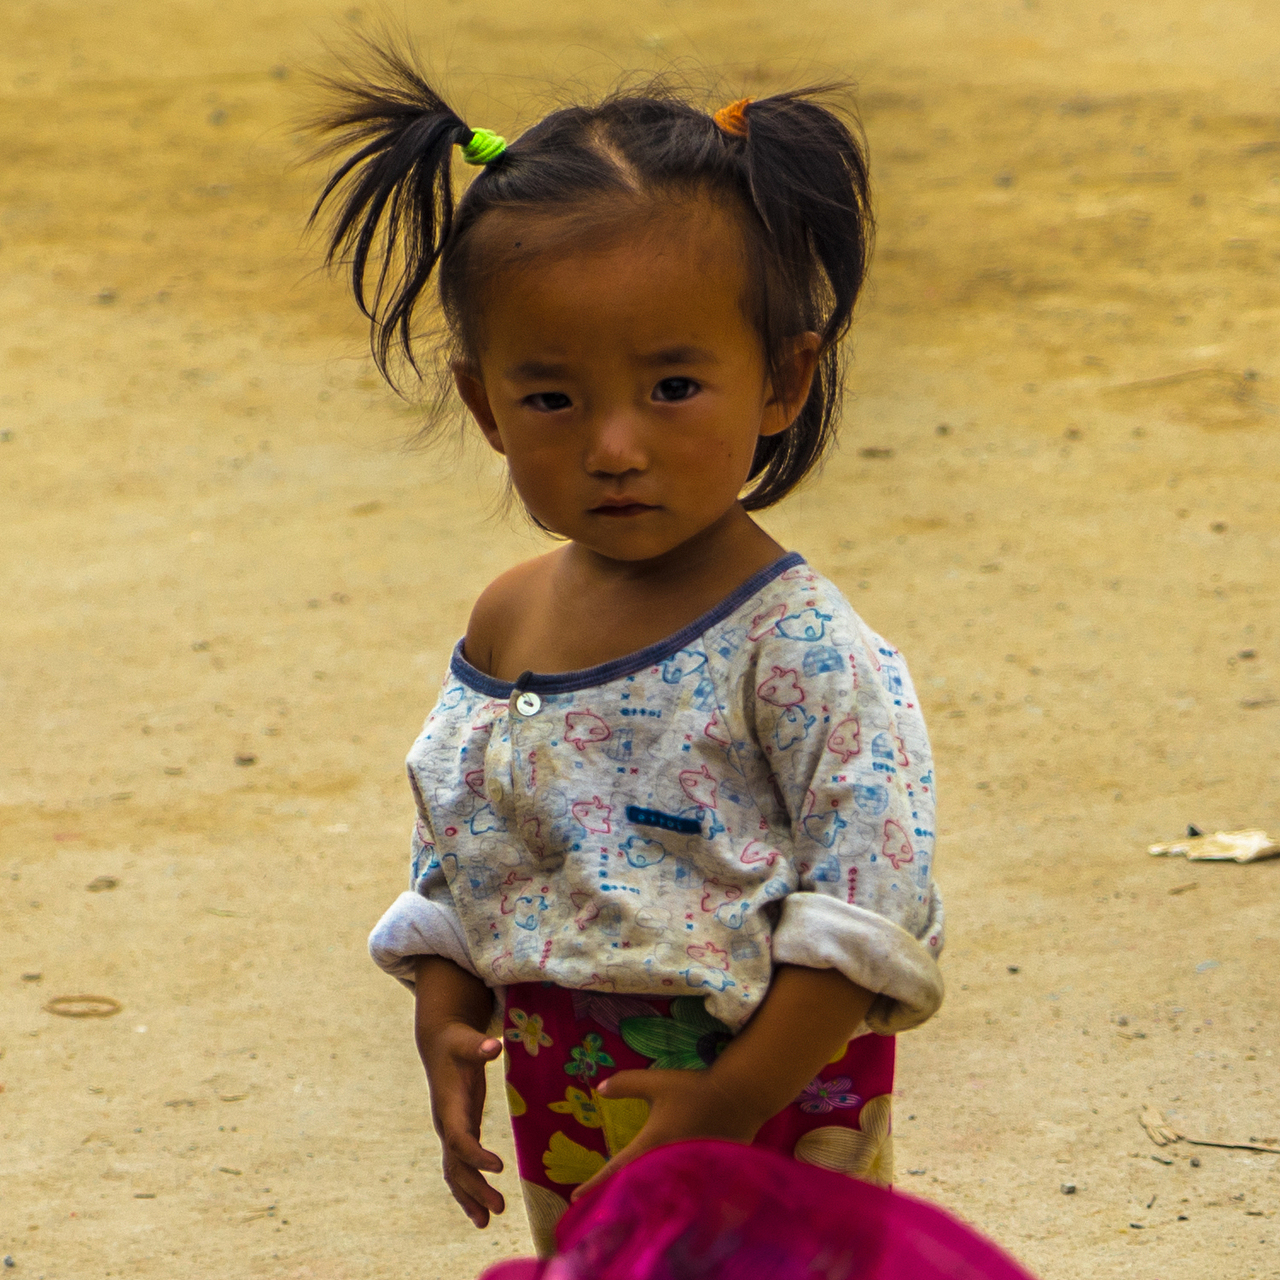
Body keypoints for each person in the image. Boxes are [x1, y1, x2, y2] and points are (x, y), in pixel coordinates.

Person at [310, 40, 945, 1257]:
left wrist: (727, 1097)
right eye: (550, 397)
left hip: (772, 1091)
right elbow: (468, 832)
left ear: (782, 379)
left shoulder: (799, 647)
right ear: (486, 403)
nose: (612, 444)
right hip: (569, 1089)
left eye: (670, 385)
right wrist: (445, 1007)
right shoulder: (509, 617)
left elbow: (869, 902)